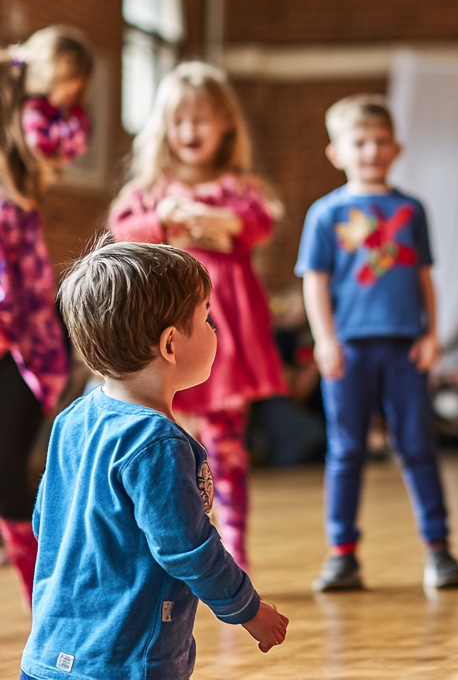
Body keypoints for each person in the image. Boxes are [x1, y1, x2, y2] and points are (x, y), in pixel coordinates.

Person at [21, 240, 288, 680]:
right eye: (207, 319)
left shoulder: (72, 419)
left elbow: (45, 522)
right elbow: (188, 550)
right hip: (125, 661)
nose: (215, 330)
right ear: (170, 345)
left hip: (48, 655)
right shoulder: (156, 442)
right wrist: (248, 609)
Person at [109, 61, 287, 571]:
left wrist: (218, 220)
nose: (190, 131)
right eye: (180, 120)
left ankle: (235, 547)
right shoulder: (150, 191)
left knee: (226, 441)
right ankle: (167, 544)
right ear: (163, 128)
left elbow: (257, 225)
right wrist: (164, 219)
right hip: (167, 330)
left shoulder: (238, 188)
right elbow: (121, 233)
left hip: (224, 338)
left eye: (202, 120)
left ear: (226, 124)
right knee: (167, 440)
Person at [296, 93, 458, 591]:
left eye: (381, 141)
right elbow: (315, 282)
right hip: (348, 350)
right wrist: (324, 340)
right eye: (360, 142)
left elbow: (424, 278)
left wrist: (432, 333)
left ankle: (439, 549)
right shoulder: (325, 214)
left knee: (417, 446)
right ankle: (341, 554)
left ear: (397, 148)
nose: (371, 150)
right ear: (337, 153)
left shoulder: (410, 210)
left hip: (404, 347)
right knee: (346, 450)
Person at [0, 25, 92, 605]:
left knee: (10, 474)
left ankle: (52, 600)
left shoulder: (22, 184)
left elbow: (62, 139)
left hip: (26, 344)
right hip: (17, 339)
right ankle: (50, 598)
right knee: (6, 477)